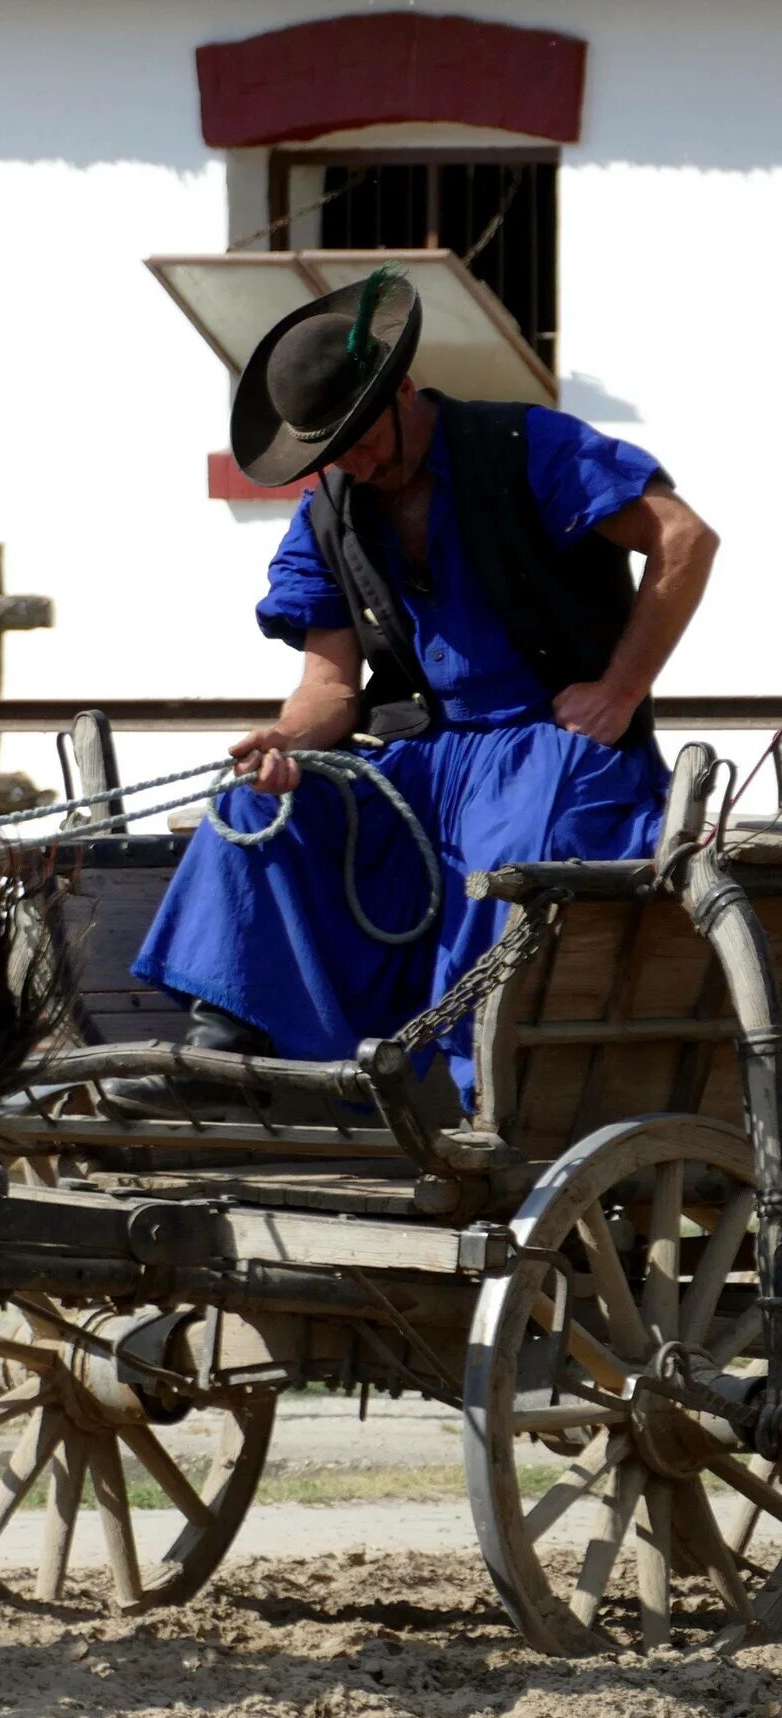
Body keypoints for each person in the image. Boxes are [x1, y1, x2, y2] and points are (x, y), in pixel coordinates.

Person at [110, 264, 718, 1115]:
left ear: (401, 390)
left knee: (510, 856)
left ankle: (489, 1097)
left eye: (361, 435)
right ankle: (234, 1051)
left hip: (553, 749)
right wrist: (284, 744)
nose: (352, 462)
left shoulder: (528, 446)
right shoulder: (329, 512)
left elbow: (685, 540)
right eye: (330, 451)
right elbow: (329, 688)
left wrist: (620, 689)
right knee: (252, 807)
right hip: (420, 763)